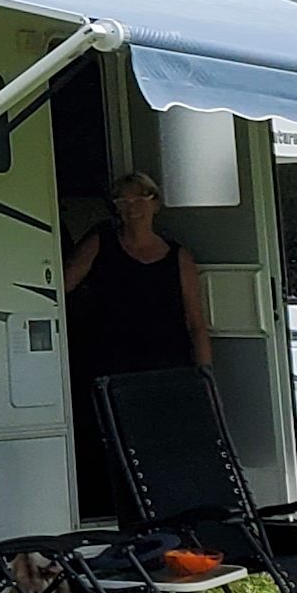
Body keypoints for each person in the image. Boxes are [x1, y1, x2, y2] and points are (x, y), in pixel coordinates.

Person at [64, 168, 210, 514]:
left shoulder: (178, 257)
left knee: (163, 449)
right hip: (112, 367)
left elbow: (196, 324)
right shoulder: (101, 242)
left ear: (155, 203)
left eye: (140, 199)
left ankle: (167, 520)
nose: (133, 208)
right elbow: (63, 285)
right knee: (116, 449)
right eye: (123, 201)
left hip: (166, 369)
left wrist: (204, 378)